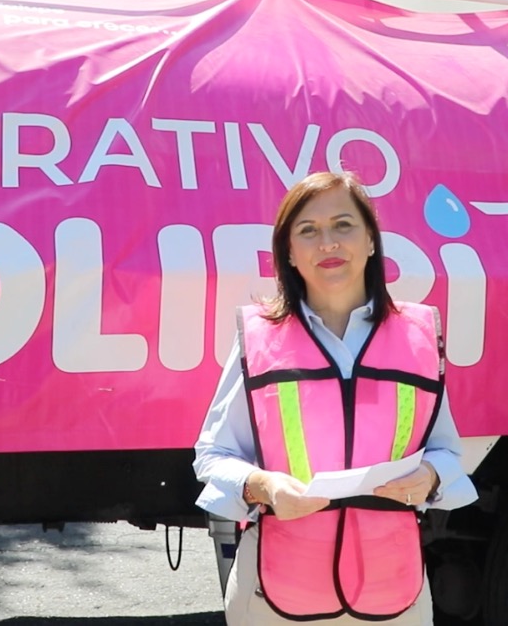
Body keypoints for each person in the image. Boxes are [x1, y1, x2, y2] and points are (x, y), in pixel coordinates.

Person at [193, 171, 477, 626]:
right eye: (308, 230)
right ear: (288, 251)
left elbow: (447, 452)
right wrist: (263, 487)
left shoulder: (418, 336)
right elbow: (213, 454)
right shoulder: (260, 338)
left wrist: (428, 476)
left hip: (392, 589)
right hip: (274, 589)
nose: (328, 242)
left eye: (344, 225)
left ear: (371, 241)